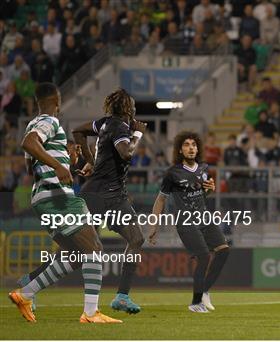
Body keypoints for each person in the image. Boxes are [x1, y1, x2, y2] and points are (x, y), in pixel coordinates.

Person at [9, 82, 121, 323]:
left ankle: (26, 293)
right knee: (94, 248)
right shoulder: (49, 121)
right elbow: (28, 143)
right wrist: (58, 165)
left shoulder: (34, 123)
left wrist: (68, 162)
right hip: (58, 199)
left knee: (76, 254)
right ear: (57, 102)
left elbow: (32, 166)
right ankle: (91, 313)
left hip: (44, 197)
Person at [73, 89, 147, 314]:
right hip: (98, 194)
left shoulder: (104, 123)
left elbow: (78, 131)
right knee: (75, 251)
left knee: (136, 238)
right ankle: (31, 286)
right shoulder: (119, 127)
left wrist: (90, 160)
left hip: (113, 195)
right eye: (132, 105)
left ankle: (122, 297)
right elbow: (125, 153)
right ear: (127, 108)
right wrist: (138, 135)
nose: (135, 109)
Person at [149, 132, 229, 313]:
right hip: (185, 220)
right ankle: (195, 303)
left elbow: (201, 194)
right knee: (204, 257)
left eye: (194, 144)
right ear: (180, 149)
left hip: (203, 217)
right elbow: (160, 200)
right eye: (186, 144)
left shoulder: (203, 168)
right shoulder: (173, 173)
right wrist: (153, 226)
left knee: (223, 250)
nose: (191, 147)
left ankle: (205, 291)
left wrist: (209, 189)